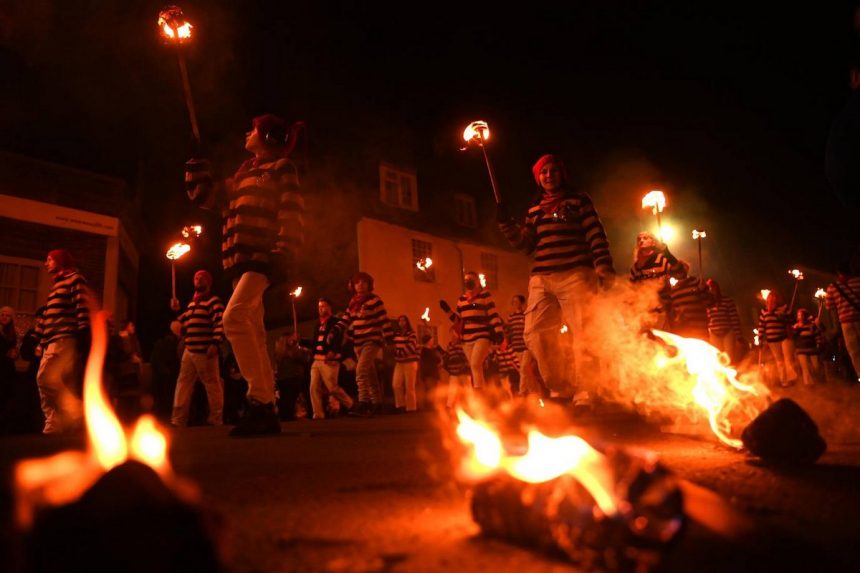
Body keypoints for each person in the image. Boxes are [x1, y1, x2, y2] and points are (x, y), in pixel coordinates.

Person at [186, 114, 305, 436]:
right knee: (253, 329)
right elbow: (204, 198)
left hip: (262, 258)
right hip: (238, 263)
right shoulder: (242, 175)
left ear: (268, 137)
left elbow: (291, 211)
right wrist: (197, 162)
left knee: (234, 319)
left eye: (253, 129)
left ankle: (260, 401)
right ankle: (267, 409)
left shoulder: (281, 168)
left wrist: (283, 251)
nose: (247, 132)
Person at [498, 154, 615, 407]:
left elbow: (595, 233)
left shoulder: (578, 201)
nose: (549, 175)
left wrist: (603, 265)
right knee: (534, 333)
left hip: (575, 273)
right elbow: (526, 245)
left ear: (562, 174)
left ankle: (585, 390)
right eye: (544, 172)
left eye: (553, 171)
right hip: (542, 277)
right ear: (538, 178)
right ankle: (560, 386)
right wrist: (506, 223)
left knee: (582, 332)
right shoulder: (534, 209)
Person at [35, 249, 89, 434]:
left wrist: (83, 331)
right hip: (51, 340)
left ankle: (76, 410)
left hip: (63, 338)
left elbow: (81, 305)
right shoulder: (57, 284)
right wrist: (38, 339)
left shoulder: (74, 279)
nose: (46, 263)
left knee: (45, 378)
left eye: (49, 260)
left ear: (59, 261)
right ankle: (53, 422)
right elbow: (48, 314)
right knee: (47, 384)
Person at [332, 272, 393, 416]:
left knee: (360, 371)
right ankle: (377, 403)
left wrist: (389, 339)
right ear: (353, 285)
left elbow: (384, 320)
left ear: (369, 284)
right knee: (369, 374)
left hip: (371, 341)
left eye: (364, 282)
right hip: (358, 342)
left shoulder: (375, 300)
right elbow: (346, 318)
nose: (360, 285)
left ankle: (363, 403)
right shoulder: (353, 302)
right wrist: (335, 330)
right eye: (357, 282)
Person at [170, 270, 225, 427]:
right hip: (189, 350)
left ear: (209, 282)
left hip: (205, 351)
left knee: (212, 385)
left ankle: (215, 419)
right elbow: (180, 323)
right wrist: (175, 310)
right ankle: (178, 420)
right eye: (196, 277)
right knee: (183, 384)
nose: (198, 279)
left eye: (202, 277)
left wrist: (215, 343)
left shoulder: (214, 301)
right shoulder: (192, 304)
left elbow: (220, 322)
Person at [440, 271, 504, 392]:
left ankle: (478, 392)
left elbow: (493, 315)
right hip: (467, 338)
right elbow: (458, 320)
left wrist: (499, 331)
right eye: (465, 279)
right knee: (475, 367)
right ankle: (480, 392)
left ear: (477, 281)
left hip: (482, 335)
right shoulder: (462, 299)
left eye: (470, 279)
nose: (467, 281)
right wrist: (447, 311)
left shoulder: (485, 296)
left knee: (475, 364)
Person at [308, 298, 353, 419]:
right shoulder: (318, 324)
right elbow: (315, 342)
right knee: (313, 387)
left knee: (332, 388)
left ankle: (351, 405)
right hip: (317, 360)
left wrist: (333, 351)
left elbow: (338, 338)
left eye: (323, 306)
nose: (321, 309)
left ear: (329, 307)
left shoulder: (335, 322)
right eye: (319, 307)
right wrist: (301, 341)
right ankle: (318, 413)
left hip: (329, 360)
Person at [825, 259, 860, 380]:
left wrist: (835, 327)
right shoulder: (858, 282)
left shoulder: (832, 287)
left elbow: (829, 306)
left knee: (854, 351)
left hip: (845, 323)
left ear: (838, 272)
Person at [660, 261, 710, 341]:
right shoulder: (673, 291)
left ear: (685, 269)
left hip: (700, 330)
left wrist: (703, 291)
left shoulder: (697, 283)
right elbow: (671, 312)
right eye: (674, 272)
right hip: (683, 332)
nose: (678, 273)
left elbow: (709, 303)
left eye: (679, 270)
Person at [758, 292, 798, 387]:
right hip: (772, 340)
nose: (771, 301)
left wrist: (783, 317)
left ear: (777, 300)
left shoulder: (783, 309)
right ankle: (784, 381)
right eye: (769, 299)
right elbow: (761, 326)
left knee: (788, 359)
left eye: (773, 299)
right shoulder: (764, 312)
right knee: (779, 361)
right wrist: (760, 338)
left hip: (784, 337)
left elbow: (792, 320)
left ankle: (792, 379)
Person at [274, 332, 311, 420]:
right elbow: (304, 359)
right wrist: (306, 351)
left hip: (282, 378)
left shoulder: (278, 352)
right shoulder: (292, 350)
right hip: (293, 376)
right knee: (291, 398)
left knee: (284, 397)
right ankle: (288, 415)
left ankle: (284, 415)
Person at [149, 319, 182, 422]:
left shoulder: (160, 343)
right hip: (170, 376)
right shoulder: (174, 343)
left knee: (161, 400)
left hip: (161, 376)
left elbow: (154, 359)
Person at [507, 294, 538, 397]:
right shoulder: (511, 317)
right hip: (516, 347)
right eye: (513, 302)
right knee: (525, 371)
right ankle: (533, 391)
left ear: (522, 302)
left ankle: (522, 391)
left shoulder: (526, 316)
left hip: (526, 347)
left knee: (524, 368)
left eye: (517, 301)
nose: (515, 303)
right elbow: (509, 332)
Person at [706, 279, 743, 362]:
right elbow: (706, 320)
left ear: (717, 288)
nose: (711, 290)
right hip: (713, 333)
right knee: (717, 358)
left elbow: (734, 318)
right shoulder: (707, 304)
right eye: (709, 288)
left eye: (713, 287)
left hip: (727, 332)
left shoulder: (727, 301)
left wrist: (738, 335)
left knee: (729, 357)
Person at [392, 315, 420, 412]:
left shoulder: (412, 334)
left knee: (409, 386)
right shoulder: (396, 334)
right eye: (400, 320)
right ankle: (400, 405)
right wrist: (395, 353)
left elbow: (411, 347)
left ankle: (411, 407)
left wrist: (398, 353)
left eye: (403, 320)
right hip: (399, 362)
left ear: (407, 322)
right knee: (396, 384)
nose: (401, 322)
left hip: (410, 362)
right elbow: (393, 346)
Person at [440, 326, 471, 409]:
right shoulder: (449, 346)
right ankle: (449, 405)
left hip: (463, 372)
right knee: (452, 390)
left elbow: (467, 358)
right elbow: (447, 358)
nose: (452, 337)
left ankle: (471, 405)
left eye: (454, 335)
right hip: (453, 372)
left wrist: (464, 367)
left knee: (467, 389)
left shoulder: (464, 345)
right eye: (451, 335)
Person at [793, 308, 823, 386]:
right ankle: (808, 385)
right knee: (805, 368)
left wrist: (819, 344)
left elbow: (817, 334)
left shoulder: (812, 325)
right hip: (801, 349)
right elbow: (793, 337)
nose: (800, 317)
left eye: (802, 315)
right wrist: (796, 329)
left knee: (816, 366)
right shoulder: (796, 326)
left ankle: (817, 381)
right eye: (799, 315)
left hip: (812, 349)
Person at [0, 306, 18, 415]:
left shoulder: (12, 333)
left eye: (7, 315)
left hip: (8, 368)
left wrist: (14, 353)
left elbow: (13, 349)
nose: (4, 317)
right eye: (2, 315)